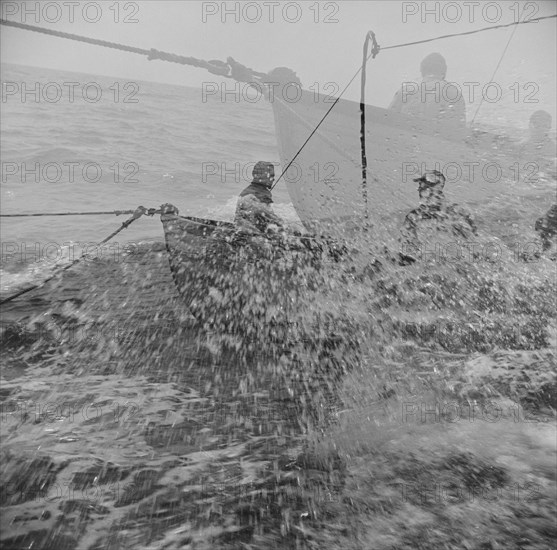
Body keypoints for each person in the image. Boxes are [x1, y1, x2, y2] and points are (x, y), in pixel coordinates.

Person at [400, 170, 477, 261]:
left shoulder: (457, 212)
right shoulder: (414, 216)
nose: (419, 190)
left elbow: (472, 242)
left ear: (432, 190)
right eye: (420, 186)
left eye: (422, 186)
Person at [389, 53, 466, 135]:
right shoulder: (453, 93)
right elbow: (458, 130)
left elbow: (388, 119)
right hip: (438, 144)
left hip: (403, 141)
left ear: (422, 69)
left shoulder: (406, 90)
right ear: (444, 70)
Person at [235, 161, 284, 232]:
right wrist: (282, 224)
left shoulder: (251, 191)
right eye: (271, 175)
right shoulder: (255, 194)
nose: (273, 179)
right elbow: (267, 215)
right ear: (259, 175)